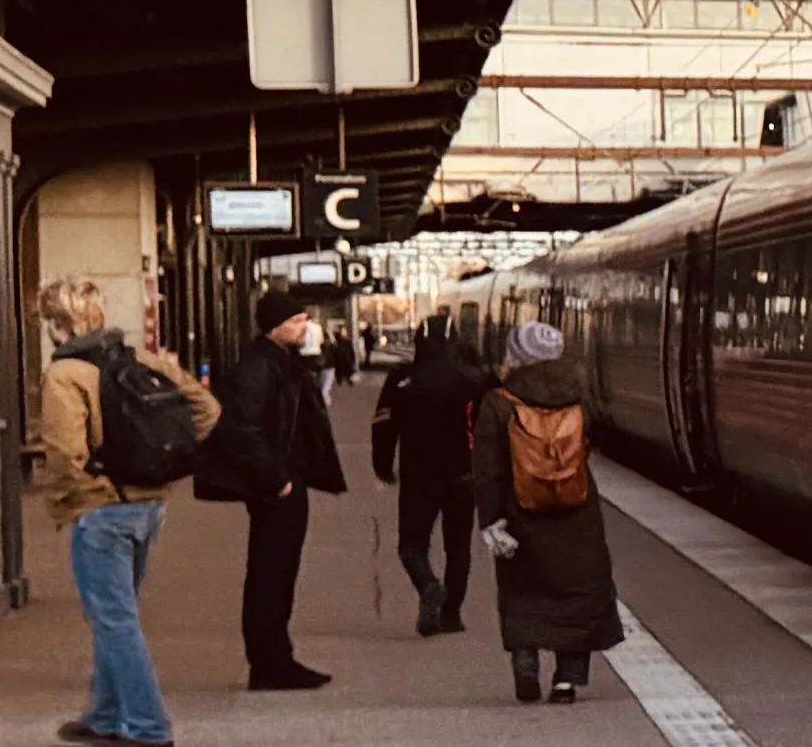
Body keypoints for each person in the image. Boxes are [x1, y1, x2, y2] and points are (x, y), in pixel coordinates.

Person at [32, 276, 202, 747]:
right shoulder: (140, 359)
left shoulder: (65, 375)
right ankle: (105, 716)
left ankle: (148, 726)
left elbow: (66, 452)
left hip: (104, 511)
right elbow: (204, 408)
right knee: (115, 615)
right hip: (149, 505)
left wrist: (77, 498)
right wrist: (167, 464)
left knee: (115, 620)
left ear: (55, 325)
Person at [195, 291, 351, 692]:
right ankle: (269, 664)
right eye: (298, 320)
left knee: (279, 574)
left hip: (284, 481)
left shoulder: (279, 363)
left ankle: (277, 658)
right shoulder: (258, 369)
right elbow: (239, 428)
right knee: (271, 574)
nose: (305, 327)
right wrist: (275, 479)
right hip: (276, 488)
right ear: (276, 325)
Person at [476, 315, 626, 705]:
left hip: (521, 512)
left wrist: (491, 521)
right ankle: (567, 680)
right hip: (577, 512)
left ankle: (526, 660)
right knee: (580, 592)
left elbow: (489, 468)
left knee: (522, 590)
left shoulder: (499, 402)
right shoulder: (580, 398)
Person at [371, 320, 486, 635]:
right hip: (464, 474)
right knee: (458, 547)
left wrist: (382, 465)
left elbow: (383, 425)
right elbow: (488, 427)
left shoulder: (402, 379)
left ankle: (428, 584)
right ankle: (451, 616)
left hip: (419, 476)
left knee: (411, 544)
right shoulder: (473, 381)